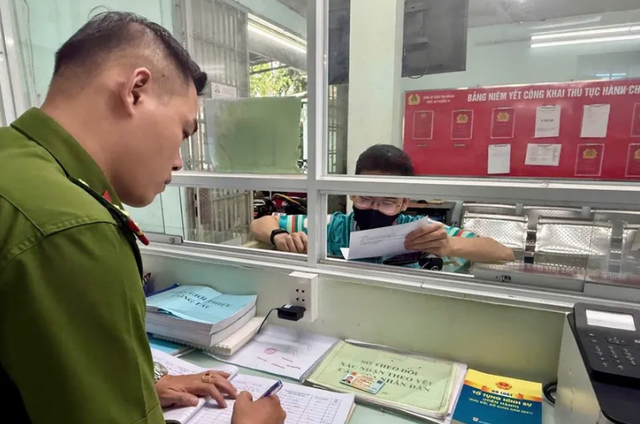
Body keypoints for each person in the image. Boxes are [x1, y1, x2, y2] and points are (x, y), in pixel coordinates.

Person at [0, 12, 285, 424]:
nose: (179, 161)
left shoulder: (13, 161)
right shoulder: (75, 228)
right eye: (184, 131)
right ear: (136, 91)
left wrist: (137, 387)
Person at [250, 145, 515, 272]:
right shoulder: (332, 226)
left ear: (404, 202)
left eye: (387, 202)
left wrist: (449, 246)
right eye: (365, 198)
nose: (374, 208)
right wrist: (279, 236)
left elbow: (503, 253)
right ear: (352, 193)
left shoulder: (421, 232)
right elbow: (261, 222)